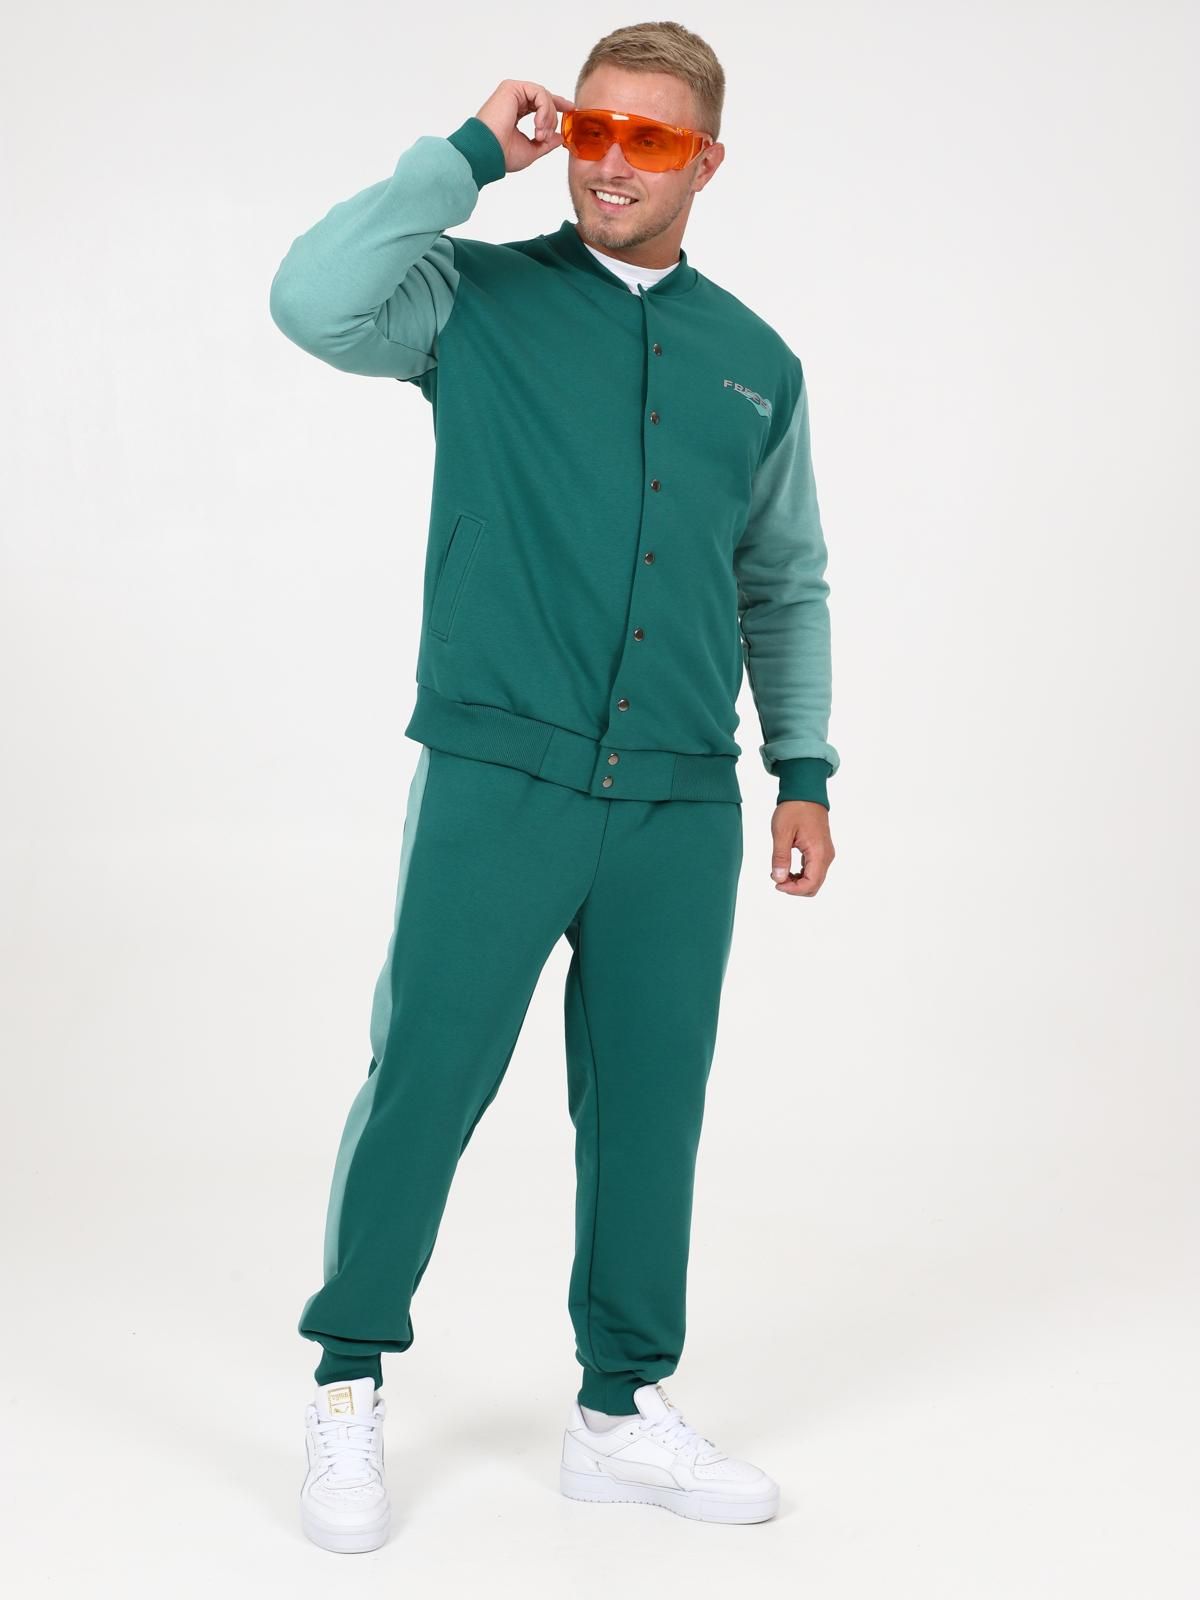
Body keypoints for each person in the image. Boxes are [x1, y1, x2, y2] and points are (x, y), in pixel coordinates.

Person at [270, 19, 839, 1552]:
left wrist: (802, 764)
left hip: (680, 802)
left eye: (650, 141)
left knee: (651, 1109)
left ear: (706, 164)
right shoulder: (474, 299)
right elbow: (311, 299)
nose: (611, 163)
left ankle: (620, 1409)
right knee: (425, 1079)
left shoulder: (758, 364)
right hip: (497, 774)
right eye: (594, 129)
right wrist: (468, 155)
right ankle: (346, 1380)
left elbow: (782, 579)